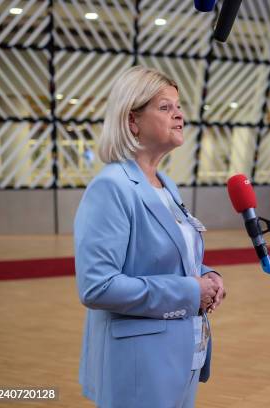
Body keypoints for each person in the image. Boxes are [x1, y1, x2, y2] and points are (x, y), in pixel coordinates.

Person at [74, 66, 225, 408]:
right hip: (139, 366)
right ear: (132, 121)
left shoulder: (165, 185)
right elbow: (97, 286)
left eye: (179, 106)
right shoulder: (111, 186)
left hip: (184, 355)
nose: (179, 114)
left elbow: (171, 259)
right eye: (165, 107)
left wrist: (208, 275)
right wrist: (191, 291)